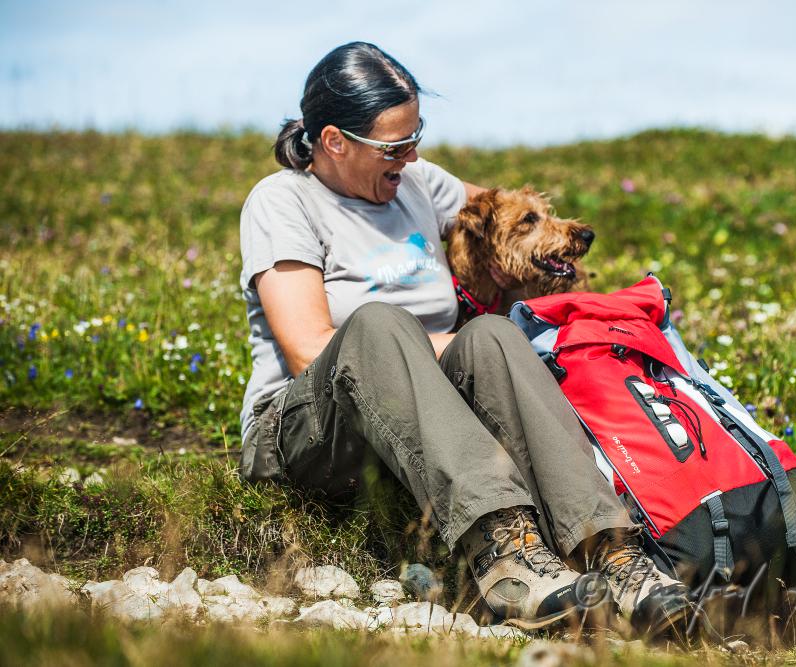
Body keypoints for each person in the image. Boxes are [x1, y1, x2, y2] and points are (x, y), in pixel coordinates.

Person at [237, 41, 691, 635]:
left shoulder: (416, 182)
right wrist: (441, 347)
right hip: (306, 429)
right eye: (394, 146)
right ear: (334, 142)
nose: (413, 154)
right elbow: (309, 347)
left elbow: (505, 213)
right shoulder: (282, 202)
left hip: (415, 414)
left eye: (415, 135)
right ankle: (504, 550)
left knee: (494, 335)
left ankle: (611, 550)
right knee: (377, 323)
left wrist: (524, 263)